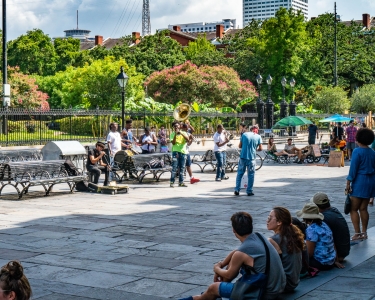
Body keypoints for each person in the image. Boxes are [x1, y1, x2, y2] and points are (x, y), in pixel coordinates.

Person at [179, 212, 286, 300]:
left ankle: (203, 297)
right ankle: (209, 296)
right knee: (229, 269)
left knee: (213, 288)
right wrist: (223, 263)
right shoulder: (259, 237)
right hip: (276, 286)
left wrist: (216, 268)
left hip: (263, 292)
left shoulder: (242, 253)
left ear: (234, 230)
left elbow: (230, 275)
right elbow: (236, 252)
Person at [346, 128, 375, 241]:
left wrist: (348, 182)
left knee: (353, 209)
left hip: (360, 181)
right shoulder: (372, 152)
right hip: (370, 181)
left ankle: (357, 233)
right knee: (363, 208)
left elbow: (353, 169)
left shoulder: (357, 151)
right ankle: (364, 232)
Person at [267, 207, 304, 292]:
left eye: (269, 218)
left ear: (279, 222)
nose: (267, 221)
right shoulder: (293, 234)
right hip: (294, 282)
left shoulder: (273, 240)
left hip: (283, 284)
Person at [296, 203, 342, 270]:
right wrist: (336, 260)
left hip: (320, 263)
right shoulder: (324, 224)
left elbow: (309, 254)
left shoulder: (311, 229)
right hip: (331, 261)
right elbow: (332, 243)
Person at [311, 192, 350, 262]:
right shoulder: (334, 210)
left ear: (316, 206)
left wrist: (335, 259)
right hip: (344, 250)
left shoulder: (323, 218)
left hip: (337, 254)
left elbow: (328, 238)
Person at [234, 128, 262, 196]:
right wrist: (254, 149)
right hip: (251, 158)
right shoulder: (258, 136)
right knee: (251, 175)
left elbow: (240, 146)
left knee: (240, 174)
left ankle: (237, 189)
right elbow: (261, 148)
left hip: (243, 157)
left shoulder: (244, 135)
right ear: (256, 131)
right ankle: (249, 191)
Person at [170, 122, 189, 187]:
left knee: (182, 168)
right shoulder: (172, 134)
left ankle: (181, 182)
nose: (176, 128)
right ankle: (172, 182)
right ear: (174, 128)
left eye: (177, 127)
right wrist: (176, 134)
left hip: (183, 152)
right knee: (174, 167)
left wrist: (181, 133)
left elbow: (188, 140)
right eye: (175, 127)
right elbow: (173, 143)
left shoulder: (184, 133)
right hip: (175, 152)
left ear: (179, 127)